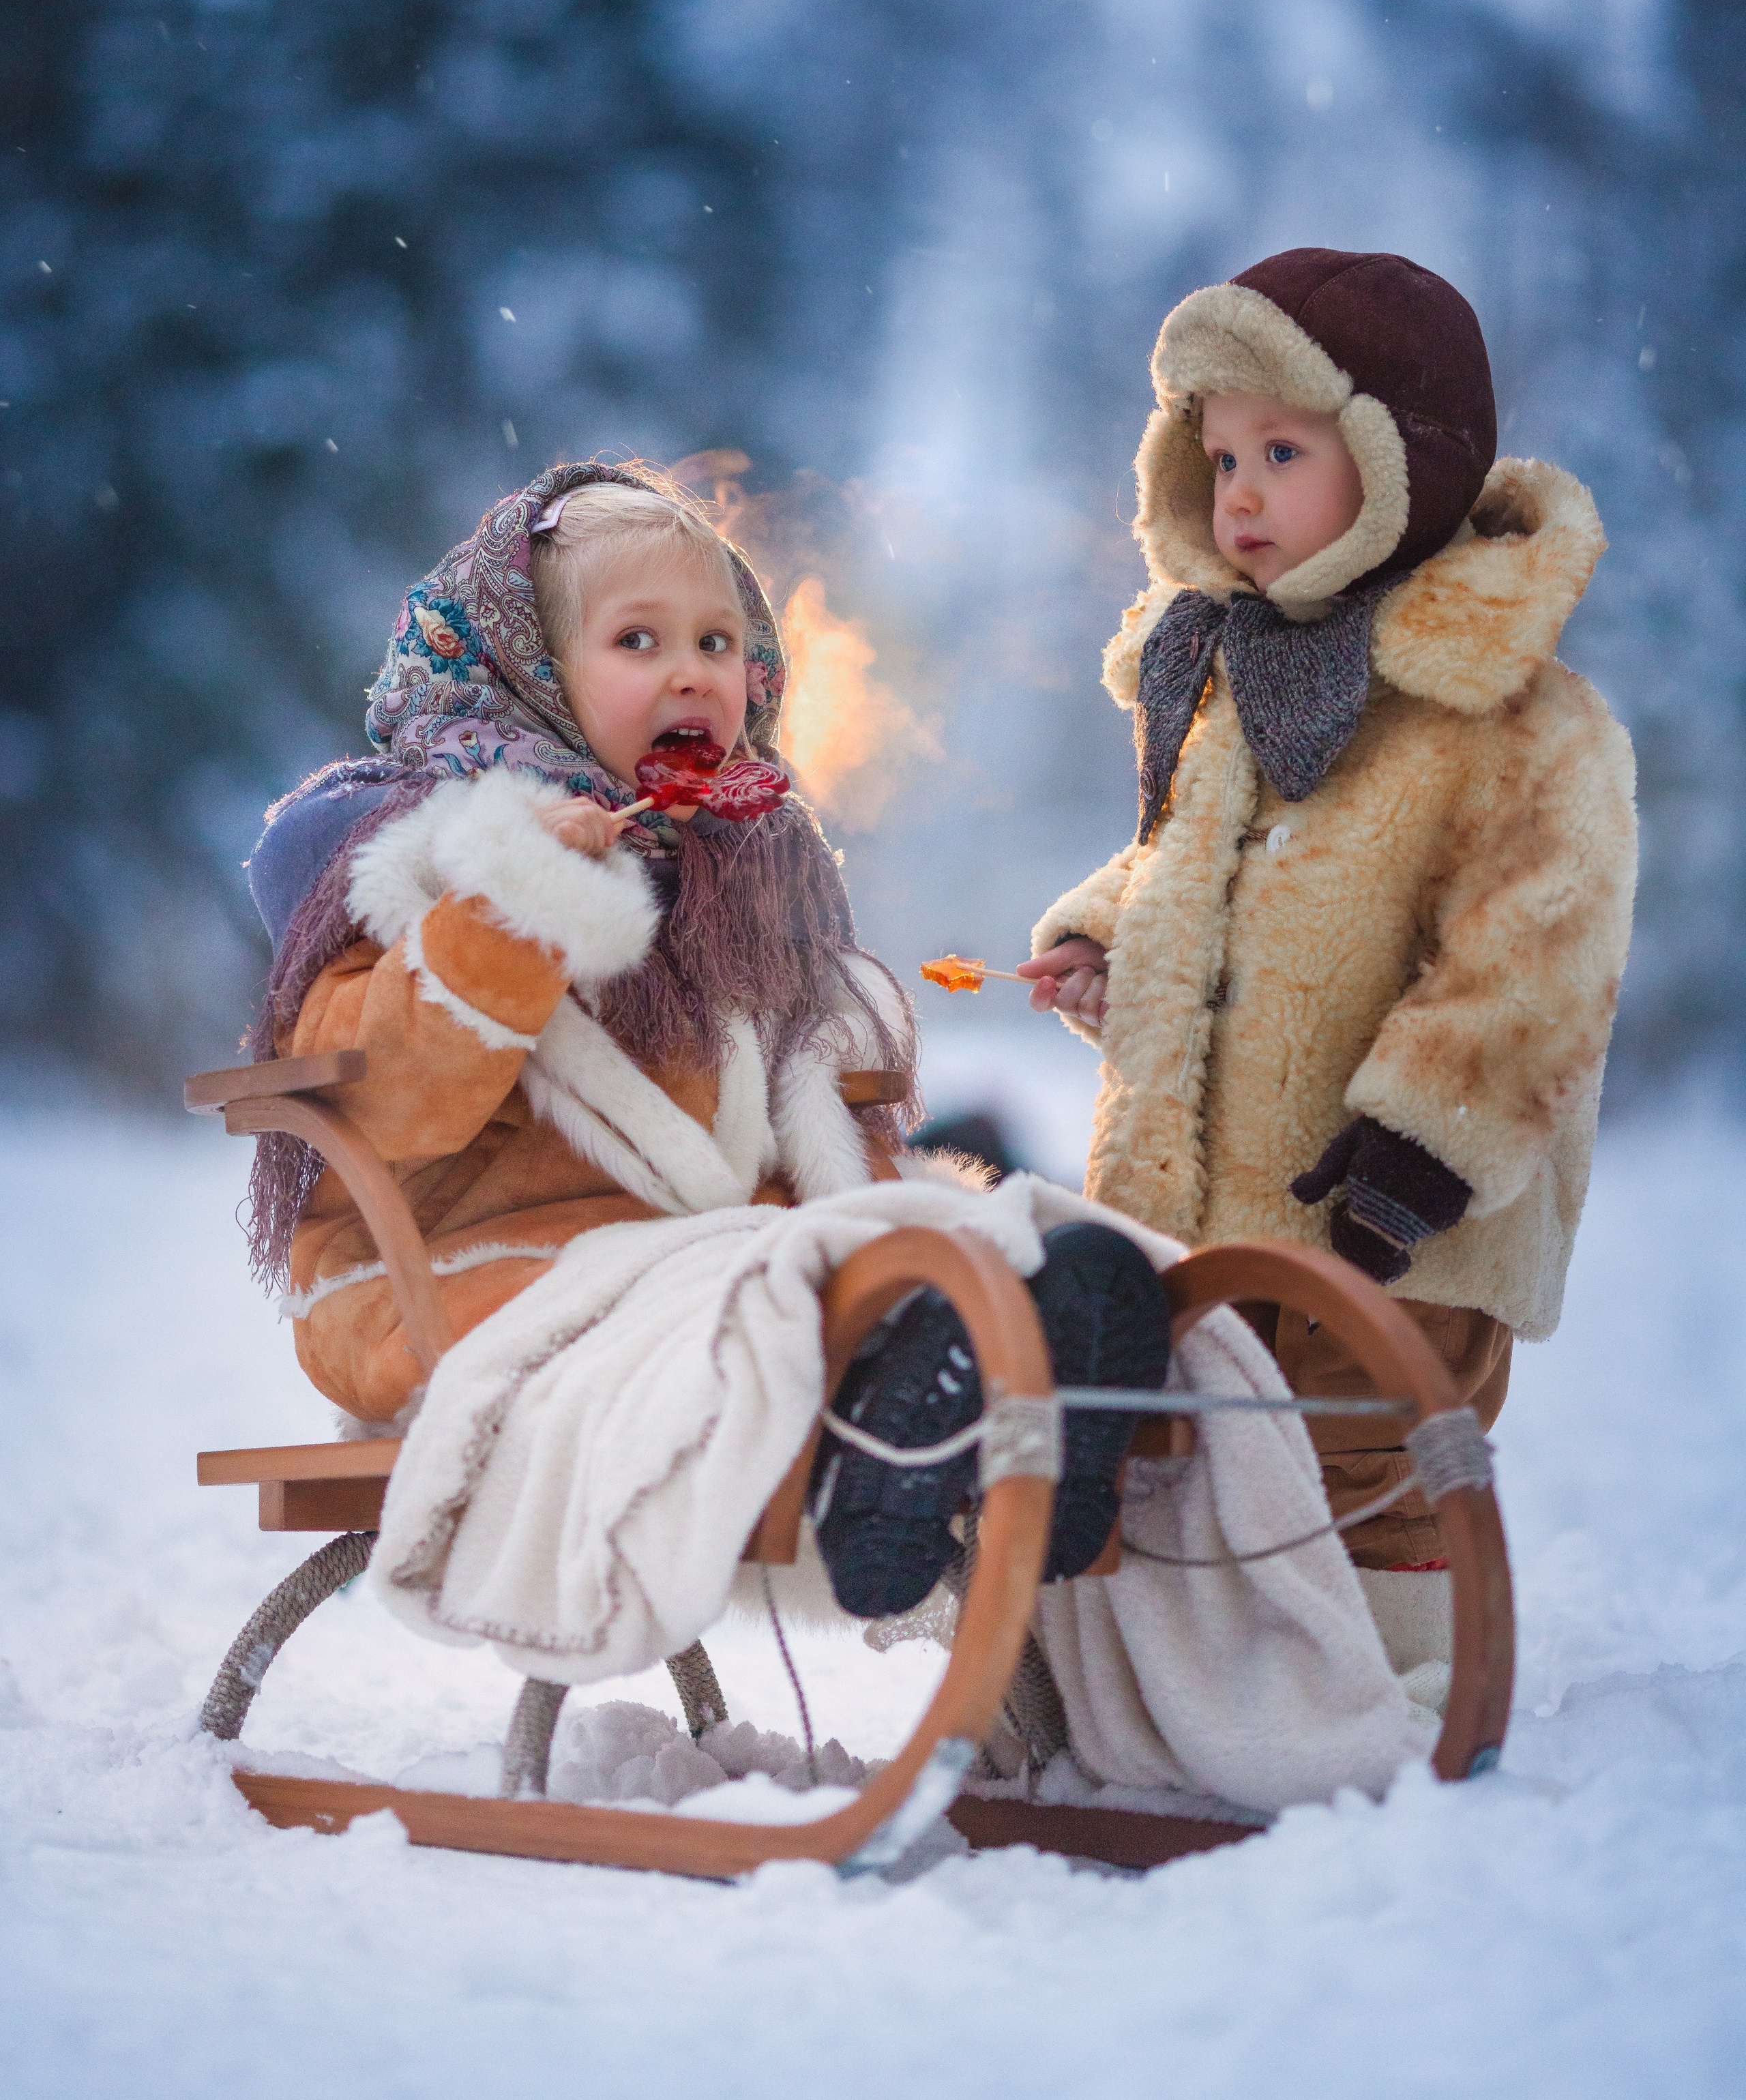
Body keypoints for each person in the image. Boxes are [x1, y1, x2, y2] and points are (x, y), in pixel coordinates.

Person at [245, 459, 1168, 1621]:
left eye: (720, 643)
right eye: (639, 642)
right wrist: (514, 911)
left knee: (929, 1244)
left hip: (681, 1265)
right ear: (526, 672)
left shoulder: (734, 883)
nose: (693, 672)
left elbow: (803, 1133)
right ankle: (904, 1413)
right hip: (460, 1284)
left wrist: (887, 1220)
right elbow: (389, 1099)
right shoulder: (419, 863)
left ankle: (986, 1363)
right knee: (755, 1294)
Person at [1020, 248, 1638, 1668]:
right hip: (1210, 1201)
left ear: (1395, 457)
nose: (1234, 492)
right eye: (1217, 451)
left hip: (1394, 1210)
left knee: (1360, 1449)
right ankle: (1200, 1685)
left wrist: (1422, 1146)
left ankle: (1388, 1680)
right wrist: (1101, 934)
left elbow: (1536, 954)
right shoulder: (1235, 683)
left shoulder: (1511, 721)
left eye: (1280, 451)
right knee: (1214, 1456)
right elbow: (1196, 866)